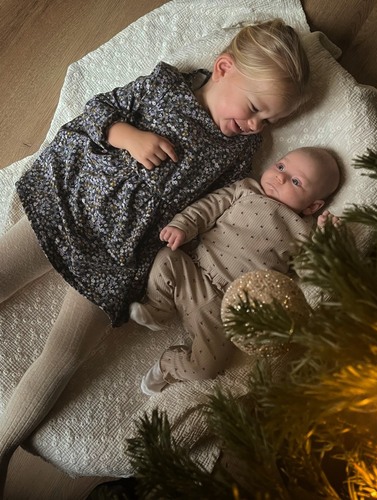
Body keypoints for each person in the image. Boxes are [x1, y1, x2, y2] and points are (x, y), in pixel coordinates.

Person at [0, 19, 310, 488]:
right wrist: (128, 136)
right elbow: (101, 110)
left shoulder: (240, 154)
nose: (254, 125)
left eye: (268, 121)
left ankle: (3, 450)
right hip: (76, 203)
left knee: (63, 354)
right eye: (253, 109)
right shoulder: (166, 86)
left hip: (121, 256)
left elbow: (215, 213)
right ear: (223, 68)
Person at [130, 146, 341, 394]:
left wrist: (325, 242)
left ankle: (168, 366)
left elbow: (308, 275)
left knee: (208, 367)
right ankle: (159, 306)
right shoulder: (247, 189)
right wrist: (182, 226)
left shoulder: (303, 232)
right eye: (281, 166)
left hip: (225, 308)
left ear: (312, 207)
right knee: (167, 256)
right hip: (194, 270)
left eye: (295, 181)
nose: (280, 177)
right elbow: (207, 207)